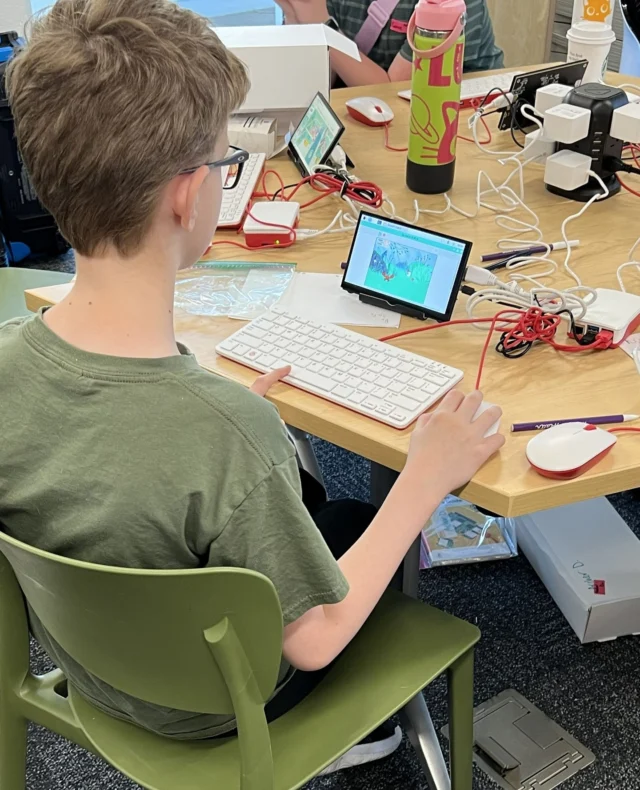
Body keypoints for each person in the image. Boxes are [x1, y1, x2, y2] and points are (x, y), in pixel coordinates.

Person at [0, 0, 504, 776]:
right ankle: (366, 737)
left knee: (315, 507)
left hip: (96, 672)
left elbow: (103, 454)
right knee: (356, 517)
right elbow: (316, 639)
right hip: (222, 708)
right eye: (224, 162)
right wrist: (427, 477)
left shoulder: (10, 359)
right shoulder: (228, 434)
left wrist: (225, 421)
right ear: (185, 196)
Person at [277, 0, 504, 86]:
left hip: (460, 123)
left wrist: (323, 27)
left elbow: (392, 92)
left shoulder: (448, 5)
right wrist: (295, 14)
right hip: (361, 113)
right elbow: (324, 79)